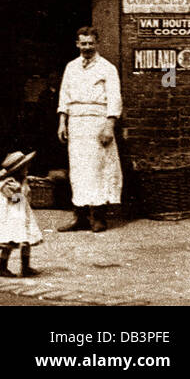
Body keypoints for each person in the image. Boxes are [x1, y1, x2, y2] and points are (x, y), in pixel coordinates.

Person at [57, 27, 122, 232]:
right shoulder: (71, 67)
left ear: (97, 43)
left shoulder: (107, 68)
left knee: (98, 168)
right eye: (83, 43)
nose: (87, 47)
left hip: (98, 122)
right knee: (78, 169)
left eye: (90, 43)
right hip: (76, 123)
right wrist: (62, 122)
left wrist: (109, 126)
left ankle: (98, 217)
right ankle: (80, 216)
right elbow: (64, 96)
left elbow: (114, 97)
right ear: (77, 44)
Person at [0, 150, 42, 277]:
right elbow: (15, 199)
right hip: (11, 216)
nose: (27, 169)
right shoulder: (8, 184)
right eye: (25, 168)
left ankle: (26, 266)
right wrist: (20, 189)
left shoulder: (21, 181)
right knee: (10, 241)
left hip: (21, 213)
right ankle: (2, 267)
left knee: (27, 239)